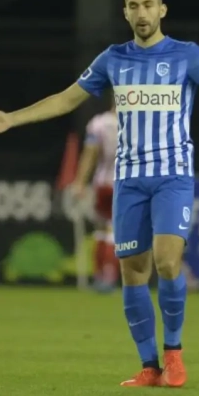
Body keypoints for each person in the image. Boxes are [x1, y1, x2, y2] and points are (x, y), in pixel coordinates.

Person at [0, 0, 199, 387]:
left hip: (172, 175)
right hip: (129, 181)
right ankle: (149, 366)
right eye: (134, 6)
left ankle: (174, 354)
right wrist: (13, 118)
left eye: (148, 5)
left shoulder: (187, 55)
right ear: (125, 12)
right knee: (133, 273)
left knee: (168, 261)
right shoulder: (112, 59)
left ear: (162, 9)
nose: (142, 13)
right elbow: (65, 99)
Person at [72, 102, 119, 293]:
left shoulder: (98, 123)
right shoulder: (135, 122)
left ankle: (99, 275)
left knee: (100, 230)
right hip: (125, 183)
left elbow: (89, 154)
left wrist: (80, 182)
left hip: (102, 182)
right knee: (115, 232)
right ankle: (109, 277)